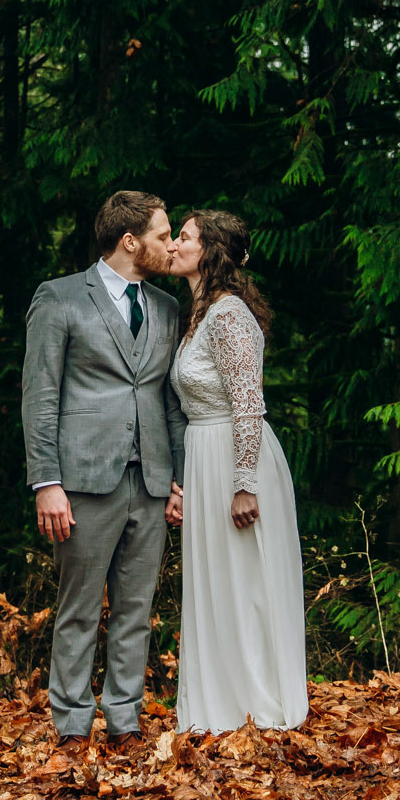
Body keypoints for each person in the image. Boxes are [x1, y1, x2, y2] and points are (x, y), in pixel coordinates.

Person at [21, 190, 189, 748]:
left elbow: (170, 402)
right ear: (129, 241)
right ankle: (70, 725)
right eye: (164, 236)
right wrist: (47, 483)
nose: (171, 246)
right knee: (78, 609)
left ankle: (125, 721)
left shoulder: (167, 309)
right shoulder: (60, 298)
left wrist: (178, 480)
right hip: (83, 482)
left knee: (136, 611)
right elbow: (40, 397)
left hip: (150, 481)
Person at [166, 209, 308, 734]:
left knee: (246, 581)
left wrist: (244, 483)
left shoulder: (228, 316)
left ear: (210, 251)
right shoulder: (202, 314)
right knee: (217, 583)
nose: (175, 245)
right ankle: (219, 705)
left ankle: (256, 705)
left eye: (184, 237)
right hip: (206, 458)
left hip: (236, 460)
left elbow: (249, 402)